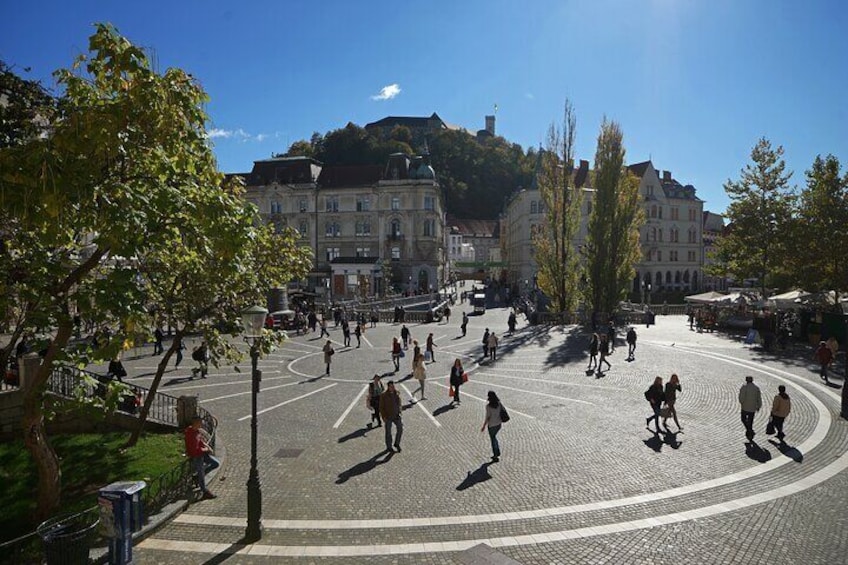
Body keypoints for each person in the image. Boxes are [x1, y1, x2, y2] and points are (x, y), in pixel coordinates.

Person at [184, 416, 219, 500]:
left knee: (215, 463)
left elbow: (200, 441)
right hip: (197, 456)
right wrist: (206, 449)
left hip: (202, 454)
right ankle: (204, 491)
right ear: (196, 423)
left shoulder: (196, 431)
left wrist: (207, 446)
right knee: (201, 472)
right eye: (201, 423)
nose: (202, 424)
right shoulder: (190, 434)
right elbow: (195, 450)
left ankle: (197, 477)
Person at [379, 381, 403, 452]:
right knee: (388, 432)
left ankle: (397, 443)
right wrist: (383, 417)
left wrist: (400, 412)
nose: (393, 388)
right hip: (388, 416)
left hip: (396, 416)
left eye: (393, 386)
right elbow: (381, 407)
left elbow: (399, 403)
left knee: (400, 429)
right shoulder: (384, 395)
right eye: (391, 386)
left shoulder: (396, 394)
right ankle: (389, 447)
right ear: (388, 387)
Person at [481, 391, 504, 462]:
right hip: (499, 424)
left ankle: (496, 454)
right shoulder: (499, 404)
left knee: (493, 439)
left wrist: (484, 426)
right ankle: (497, 452)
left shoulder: (488, 406)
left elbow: (487, 417)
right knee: (494, 437)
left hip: (492, 425)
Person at [739, 375, 762, 440]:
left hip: (745, 407)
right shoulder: (756, 388)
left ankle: (749, 430)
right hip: (752, 408)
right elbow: (759, 398)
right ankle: (750, 431)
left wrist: (742, 402)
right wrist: (758, 406)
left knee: (743, 419)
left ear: (746, 380)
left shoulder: (744, 387)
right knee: (750, 421)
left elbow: (741, 397)